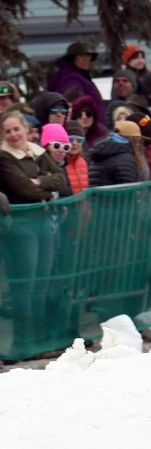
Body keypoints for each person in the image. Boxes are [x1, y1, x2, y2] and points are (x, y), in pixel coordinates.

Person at [0, 111, 68, 344]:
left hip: (43, 221)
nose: (13, 135)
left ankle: (39, 339)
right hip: (21, 226)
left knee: (42, 283)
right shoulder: (5, 157)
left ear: (26, 129)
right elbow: (23, 189)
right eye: (7, 131)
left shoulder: (37, 152)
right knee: (25, 285)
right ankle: (24, 341)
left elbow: (61, 177)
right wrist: (45, 187)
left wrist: (40, 182)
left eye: (16, 129)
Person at [46, 42, 106, 116]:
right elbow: (73, 109)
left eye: (88, 57)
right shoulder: (72, 80)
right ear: (72, 59)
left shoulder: (82, 78)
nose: (85, 60)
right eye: (81, 56)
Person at [87, 121, 142, 187]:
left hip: (97, 196)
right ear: (134, 140)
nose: (139, 144)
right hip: (112, 197)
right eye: (138, 140)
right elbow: (127, 190)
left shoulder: (103, 150)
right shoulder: (125, 158)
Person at [39, 123, 74, 197]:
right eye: (56, 145)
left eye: (66, 147)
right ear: (46, 146)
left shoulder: (63, 167)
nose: (61, 150)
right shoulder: (36, 166)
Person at [63, 121, 90, 195]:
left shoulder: (86, 162)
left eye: (79, 140)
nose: (75, 143)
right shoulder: (60, 164)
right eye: (70, 139)